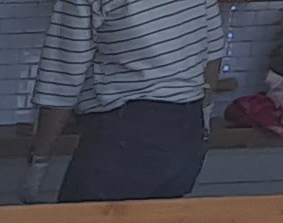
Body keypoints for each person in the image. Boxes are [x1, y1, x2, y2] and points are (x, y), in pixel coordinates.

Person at [26, 0, 224, 201]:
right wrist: (204, 116)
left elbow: (61, 81)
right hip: (187, 132)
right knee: (155, 220)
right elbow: (213, 52)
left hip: (125, 135)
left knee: (80, 221)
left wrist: (38, 164)